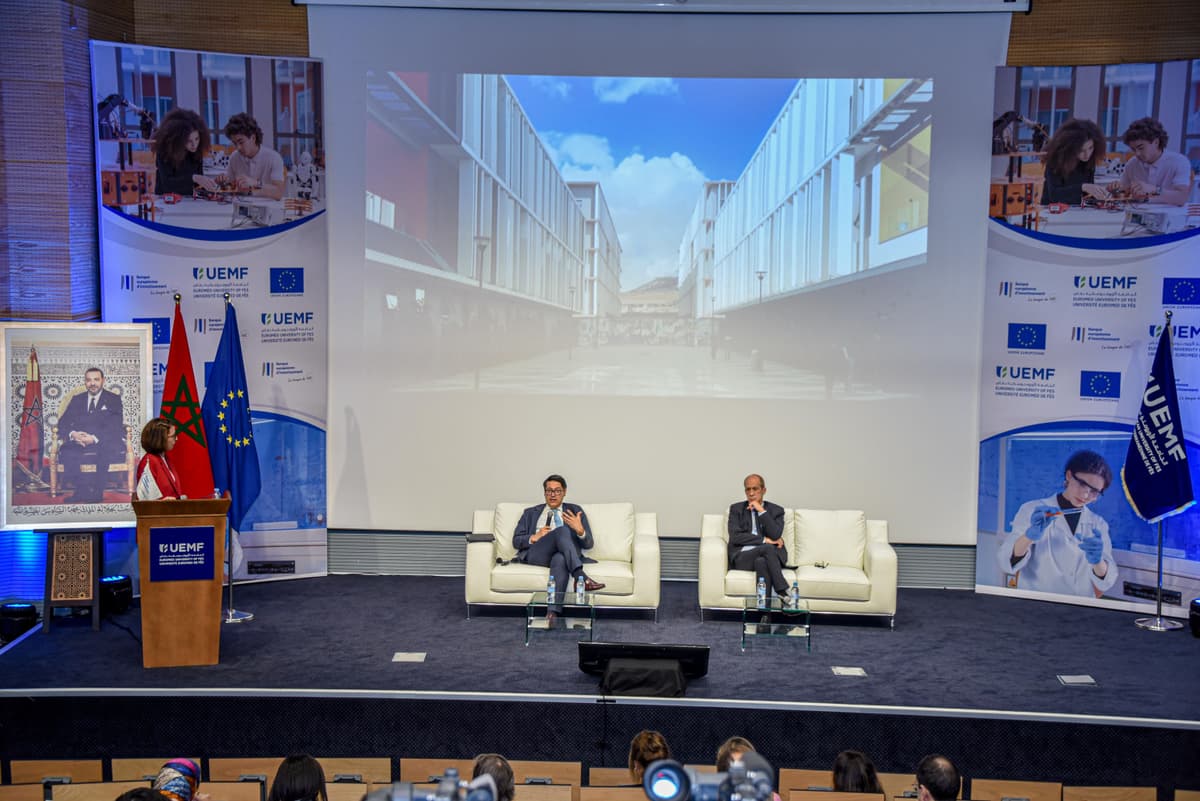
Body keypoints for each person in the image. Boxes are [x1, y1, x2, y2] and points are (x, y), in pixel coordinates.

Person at [997, 450, 1118, 598]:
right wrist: (1028, 536)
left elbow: (1106, 581)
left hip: (1080, 607)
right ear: (1068, 476)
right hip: (1038, 603)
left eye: (1094, 492)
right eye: (1082, 484)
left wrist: (1098, 561)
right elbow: (1006, 562)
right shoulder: (1031, 510)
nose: (1086, 495)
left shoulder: (1098, 524)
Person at [512, 474, 605, 625]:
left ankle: (552, 613)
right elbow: (516, 540)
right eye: (549, 491)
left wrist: (580, 531)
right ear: (544, 493)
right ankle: (580, 577)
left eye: (557, 491)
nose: (553, 495)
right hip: (538, 553)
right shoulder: (530, 513)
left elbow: (588, 544)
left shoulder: (575, 510)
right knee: (561, 531)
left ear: (564, 492)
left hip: (564, 556)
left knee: (560, 558)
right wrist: (534, 537)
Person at [56, 366, 125, 503]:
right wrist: (74, 434)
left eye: (96, 379)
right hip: (80, 441)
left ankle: (97, 493)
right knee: (67, 450)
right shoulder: (77, 399)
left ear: (103, 380)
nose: (92, 383)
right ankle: (81, 491)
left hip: (103, 440)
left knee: (105, 449)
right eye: (88, 380)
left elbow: (115, 426)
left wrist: (93, 439)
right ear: (85, 382)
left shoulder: (113, 399)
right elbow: (62, 423)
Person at [727, 474, 790, 601]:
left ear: (763, 490)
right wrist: (764, 540)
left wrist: (761, 510)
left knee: (762, 562)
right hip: (743, 556)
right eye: (748, 489)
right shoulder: (736, 509)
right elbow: (735, 537)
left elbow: (776, 534)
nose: (751, 493)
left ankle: (764, 613)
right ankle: (782, 591)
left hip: (765, 556)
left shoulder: (776, 510)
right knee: (767, 548)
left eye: (755, 489)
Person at [1112, 117, 1193, 205]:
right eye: (1133, 149)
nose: (1137, 153)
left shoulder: (1179, 162)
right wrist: (1115, 191)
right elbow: (1124, 194)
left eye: (1141, 148)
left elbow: (1181, 198)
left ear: (1156, 142)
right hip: (1139, 213)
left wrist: (1154, 190)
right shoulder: (1132, 164)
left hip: (1170, 216)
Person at [212, 112, 285, 200]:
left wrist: (256, 183)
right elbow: (230, 187)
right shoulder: (234, 157)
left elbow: (279, 192)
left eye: (241, 142)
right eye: (235, 143)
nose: (238, 147)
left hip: (267, 209)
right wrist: (222, 183)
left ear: (253, 138)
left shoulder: (274, 158)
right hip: (241, 207)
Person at [1040, 119, 1108, 205]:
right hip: (1052, 212)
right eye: (1081, 150)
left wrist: (1099, 196)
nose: (1087, 155)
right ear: (1070, 148)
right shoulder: (1055, 161)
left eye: (1090, 148)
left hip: (1075, 211)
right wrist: (1083, 187)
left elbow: (1087, 195)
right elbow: (1054, 196)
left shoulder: (1089, 161)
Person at [151, 107, 210, 196]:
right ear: (179, 139)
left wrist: (211, 185)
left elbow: (198, 184)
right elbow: (167, 184)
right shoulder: (164, 151)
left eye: (197, 139)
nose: (194, 145)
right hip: (165, 201)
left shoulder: (196, 152)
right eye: (189, 141)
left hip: (187, 201)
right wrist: (193, 178)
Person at [135, 417, 182, 500]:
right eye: (173, 436)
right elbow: (145, 501)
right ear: (160, 438)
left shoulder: (165, 458)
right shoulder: (149, 461)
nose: (176, 438)